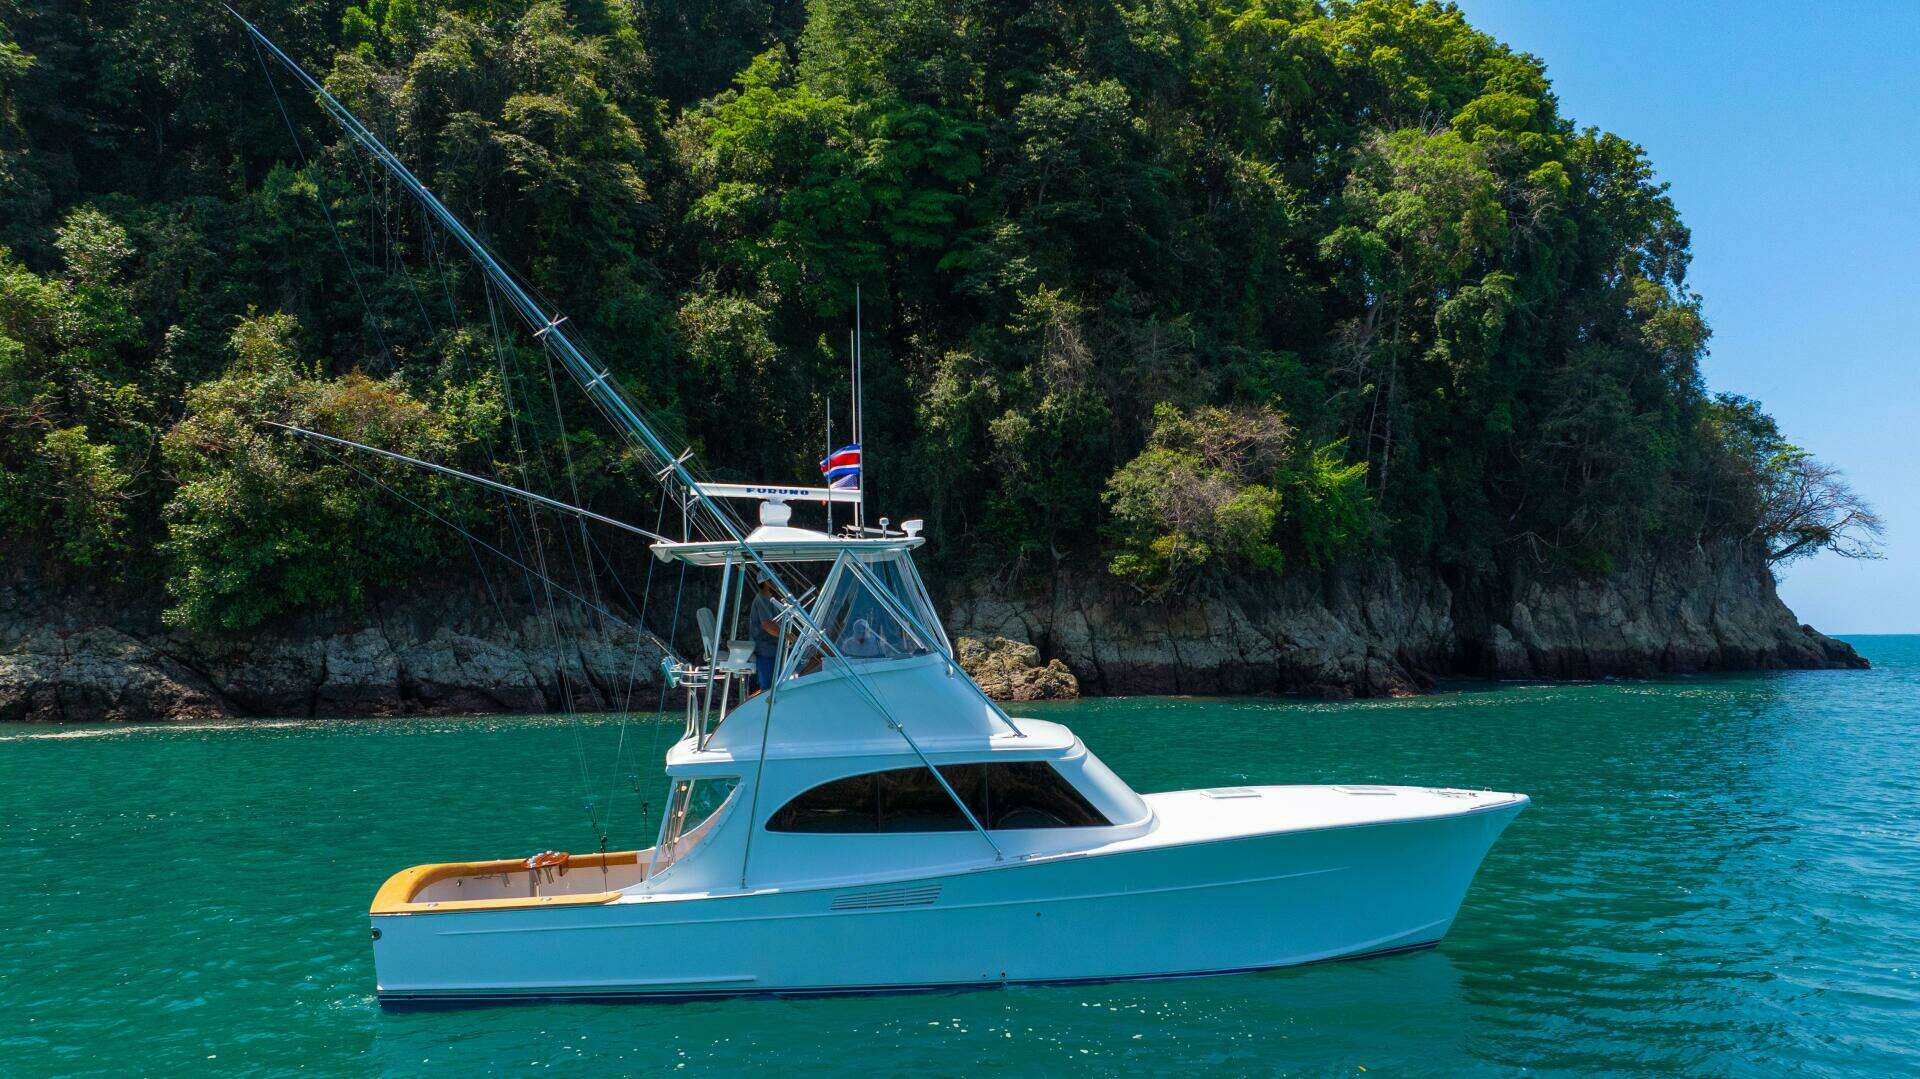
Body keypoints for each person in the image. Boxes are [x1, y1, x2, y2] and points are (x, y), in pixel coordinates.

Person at [748, 575, 785, 693]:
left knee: (776, 683)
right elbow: (767, 625)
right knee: (769, 687)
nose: (778, 583)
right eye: (774, 580)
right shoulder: (762, 599)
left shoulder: (769, 599)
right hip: (766, 649)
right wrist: (788, 637)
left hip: (774, 648)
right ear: (767, 583)